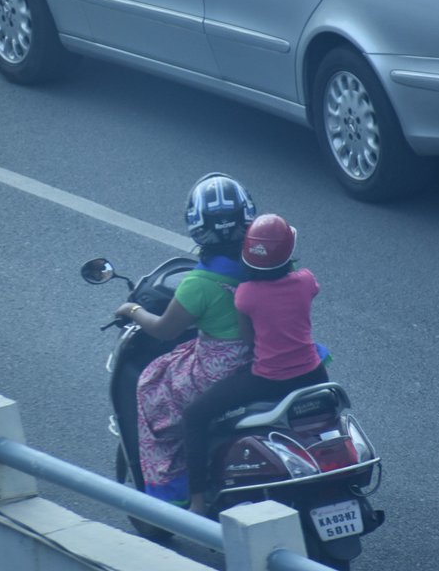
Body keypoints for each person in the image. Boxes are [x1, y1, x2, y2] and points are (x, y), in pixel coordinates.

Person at [113, 173, 257, 507]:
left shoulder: (199, 284)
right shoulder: (268, 263)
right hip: (265, 356)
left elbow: (165, 331)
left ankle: (177, 493)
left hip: (220, 368)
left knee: (152, 387)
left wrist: (133, 310)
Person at [181, 213, 328, 515]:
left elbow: (249, 343)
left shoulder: (246, 295)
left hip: (267, 379)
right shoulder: (306, 281)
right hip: (313, 374)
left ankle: (196, 501)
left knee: (194, 416)